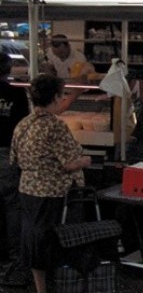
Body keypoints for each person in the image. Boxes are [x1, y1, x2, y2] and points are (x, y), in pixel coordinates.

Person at [10, 75, 92, 293]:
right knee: (53, 242)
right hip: (51, 194)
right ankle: (62, 285)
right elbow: (69, 163)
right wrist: (85, 160)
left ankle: (41, 288)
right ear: (55, 97)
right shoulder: (55, 126)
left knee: (33, 240)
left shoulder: (23, 124)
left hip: (27, 189)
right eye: (62, 94)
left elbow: (14, 159)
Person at [0, 54, 29, 287]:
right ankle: (13, 259)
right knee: (11, 206)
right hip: (6, 154)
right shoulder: (15, 92)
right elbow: (24, 125)